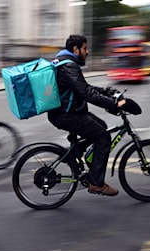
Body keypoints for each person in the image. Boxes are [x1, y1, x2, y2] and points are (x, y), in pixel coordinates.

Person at [47, 35, 126, 196]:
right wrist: (113, 104)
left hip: (68, 112)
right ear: (75, 49)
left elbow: (83, 87)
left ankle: (76, 151)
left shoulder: (66, 63)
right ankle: (96, 184)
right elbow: (86, 93)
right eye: (85, 48)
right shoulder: (69, 66)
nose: (88, 51)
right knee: (103, 137)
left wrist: (106, 92)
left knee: (101, 126)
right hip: (66, 115)